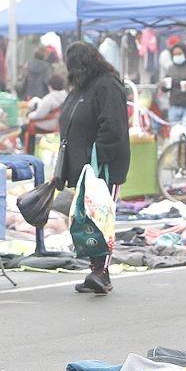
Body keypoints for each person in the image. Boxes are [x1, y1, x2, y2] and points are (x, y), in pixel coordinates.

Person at [58, 42, 130, 295]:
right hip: (84, 168)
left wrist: (97, 159)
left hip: (103, 167)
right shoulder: (81, 89)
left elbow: (113, 128)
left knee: (103, 219)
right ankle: (96, 269)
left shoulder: (106, 86)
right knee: (87, 219)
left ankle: (102, 272)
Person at [23, 73, 68, 154]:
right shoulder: (66, 96)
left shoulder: (50, 98)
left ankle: (30, 151)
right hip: (57, 124)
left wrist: (29, 115)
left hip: (46, 125)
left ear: (50, 86)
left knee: (24, 128)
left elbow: (39, 115)